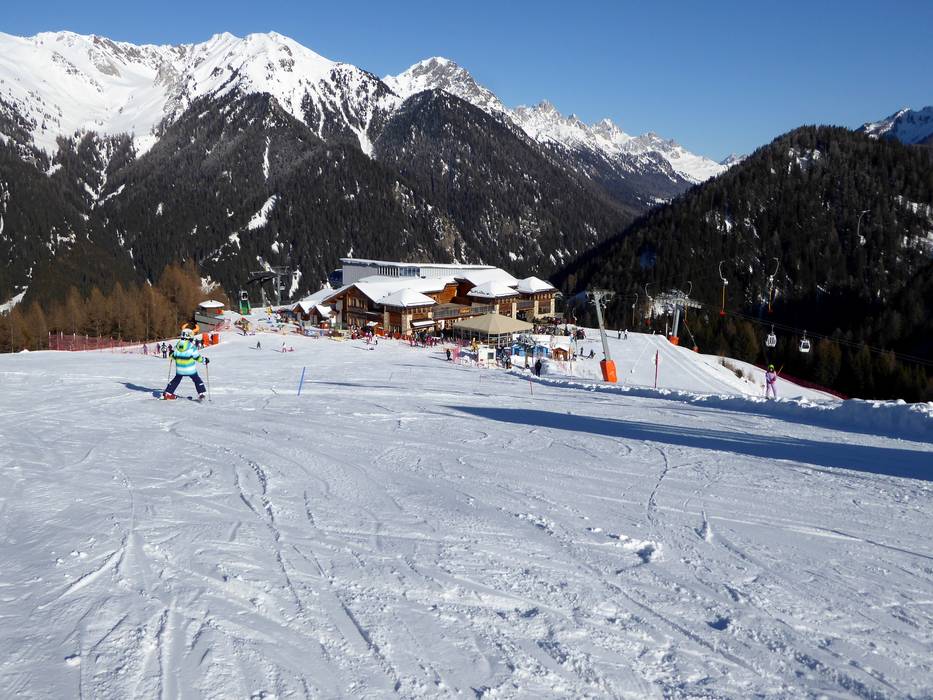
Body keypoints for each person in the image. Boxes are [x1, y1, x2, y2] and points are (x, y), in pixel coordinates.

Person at [162, 327, 209, 400]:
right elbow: (197, 357)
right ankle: (201, 394)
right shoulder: (191, 346)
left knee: (176, 380)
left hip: (180, 369)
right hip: (190, 369)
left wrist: (171, 354)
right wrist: (204, 360)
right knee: (197, 379)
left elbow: (172, 356)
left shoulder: (177, 345)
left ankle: (168, 393)